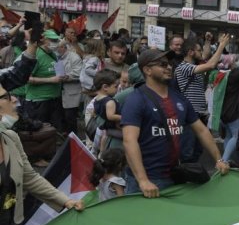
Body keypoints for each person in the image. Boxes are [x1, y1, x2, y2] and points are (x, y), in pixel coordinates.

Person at [121, 49, 229, 198]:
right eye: (162, 64)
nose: (169, 67)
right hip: (147, 180)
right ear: (147, 70)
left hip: (174, 175)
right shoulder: (136, 100)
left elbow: (201, 130)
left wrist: (219, 159)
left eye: (170, 63)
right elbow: (129, 141)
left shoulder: (179, 99)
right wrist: (143, 180)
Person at [0, 82, 84, 225]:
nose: (14, 99)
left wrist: (66, 201)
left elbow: (30, 178)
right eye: (6, 97)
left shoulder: (10, 138)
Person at [174, 34, 230, 162]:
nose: (201, 53)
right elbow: (210, 65)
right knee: (187, 152)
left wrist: (207, 41)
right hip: (189, 116)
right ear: (190, 52)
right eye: (198, 50)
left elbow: (205, 56)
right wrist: (221, 46)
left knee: (197, 150)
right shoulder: (184, 67)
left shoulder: (194, 65)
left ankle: (192, 177)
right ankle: (185, 178)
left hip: (199, 115)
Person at [56, 40, 83, 135]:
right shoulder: (57, 57)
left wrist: (67, 76)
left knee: (70, 117)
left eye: (58, 47)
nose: (56, 49)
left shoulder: (74, 57)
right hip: (60, 91)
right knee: (62, 116)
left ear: (64, 47)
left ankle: (73, 137)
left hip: (72, 92)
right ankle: (65, 134)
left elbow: (79, 73)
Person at [91, 70, 122, 153]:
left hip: (103, 128)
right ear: (105, 87)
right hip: (113, 129)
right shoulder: (110, 102)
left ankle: (101, 155)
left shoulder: (96, 99)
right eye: (115, 86)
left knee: (102, 143)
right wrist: (124, 117)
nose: (117, 88)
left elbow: (94, 113)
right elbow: (110, 116)